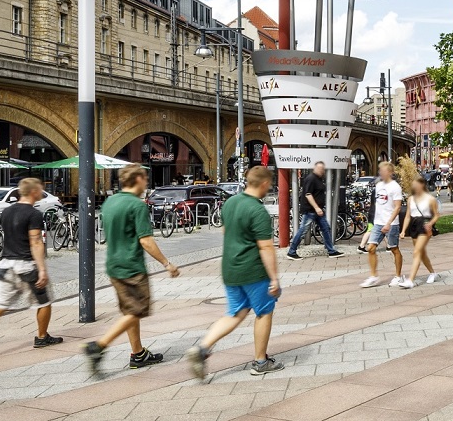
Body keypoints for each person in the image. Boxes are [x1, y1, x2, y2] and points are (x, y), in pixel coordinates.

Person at [185, 166, 284, 380]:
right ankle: (260, 361)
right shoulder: (258, 211)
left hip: (230, 268)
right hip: (253, 271)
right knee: (264, 312)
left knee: (235, 313)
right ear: (265, 184)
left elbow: (224, 230)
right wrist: (274, 278)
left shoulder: (230, 203)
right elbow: (266, 247)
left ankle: (202, 348)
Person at [85, 165, 180, 374]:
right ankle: (99, 346)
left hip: (113, 265)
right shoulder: (137, 206)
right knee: (137, 310)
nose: (146, 183)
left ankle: (138, 354)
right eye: (145, 179)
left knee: (130, 311)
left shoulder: (110, 202)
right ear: (137, 179)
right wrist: (167, 263)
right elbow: (146, 241)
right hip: (132, 267)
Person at [0, 177, 58, 361]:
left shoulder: (6, 212)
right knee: (44, 302)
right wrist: (42, 269)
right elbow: (35, 242)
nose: (42, 192)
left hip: (4, 265)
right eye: (40, 189)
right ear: (33, 192)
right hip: (26, 266)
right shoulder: (34, 214)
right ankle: (42, 337)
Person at [362, 161, 408, 288]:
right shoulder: (379, 185)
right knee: (370, 248)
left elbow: (397, 207)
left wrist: (388, 223)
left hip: (391, 224)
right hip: (378, 223)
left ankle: (398, 276)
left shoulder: (395, 187)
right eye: (380, 170)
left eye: (383, 170)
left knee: (394, 249)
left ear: (390, 173)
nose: (381, 172)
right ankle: (373, 276)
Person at [289, 162, 342, 259]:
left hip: (317, 211)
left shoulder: (318, 179)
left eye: (323, 169)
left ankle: (331, 250)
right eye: (321, 169)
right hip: (311, 210)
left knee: (326, 228)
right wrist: (316, 207)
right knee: (303, 230)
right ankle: (291, 251)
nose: (322, 171)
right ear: (316, 168)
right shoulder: (311, 179)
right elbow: (308, 194)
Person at [402, 175, 440, 285]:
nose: (414, 186)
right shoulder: (410, 199)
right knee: (421, 253)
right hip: (414, 224)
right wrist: (403, 230)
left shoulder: (430, 199)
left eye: (416, 184)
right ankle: (432, 273)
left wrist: (430, 223)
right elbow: (408, 215)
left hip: (424, 225)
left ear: (422, 185)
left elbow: (437, 215)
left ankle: (410, 280)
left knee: (416, 252)